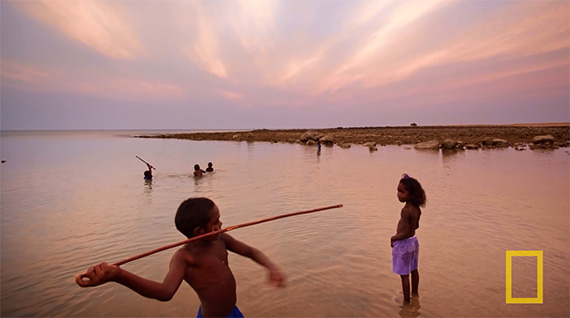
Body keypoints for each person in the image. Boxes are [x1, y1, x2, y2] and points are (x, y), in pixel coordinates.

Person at [76, 197, 286, 318]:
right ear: (198, 231)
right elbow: (165, 292)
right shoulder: (184, 258)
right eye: (216, 222)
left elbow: (251, 252)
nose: (221, 225)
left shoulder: (221, 240)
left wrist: (271, 267)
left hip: (233, 312)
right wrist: (118, 275)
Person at [390, 173, 426, 303]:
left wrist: (393, 237)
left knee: (404, 275)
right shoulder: (416, 208)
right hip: (413, 242)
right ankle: (415, 294)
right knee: (413, 269)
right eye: (398, 191)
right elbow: (415, 227)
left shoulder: (405, 210)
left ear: (410, 194)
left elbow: (404, 232)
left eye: (402, 191)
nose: (398, 194)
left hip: (403, 243)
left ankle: (406, 302)